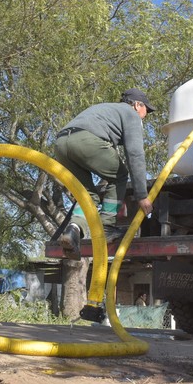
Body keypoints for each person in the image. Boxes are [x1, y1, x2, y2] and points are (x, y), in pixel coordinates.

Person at [54, 88, 156, 259]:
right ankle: (107, 226)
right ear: (137, 105)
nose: (146, 115)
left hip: (61, 144)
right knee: (120, 176)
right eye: (147, 109)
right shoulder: (131, 115)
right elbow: (135, 155)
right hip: (85, 140)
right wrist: (142, 195)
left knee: (86, 194)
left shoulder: (107, 110)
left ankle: (73, 230)